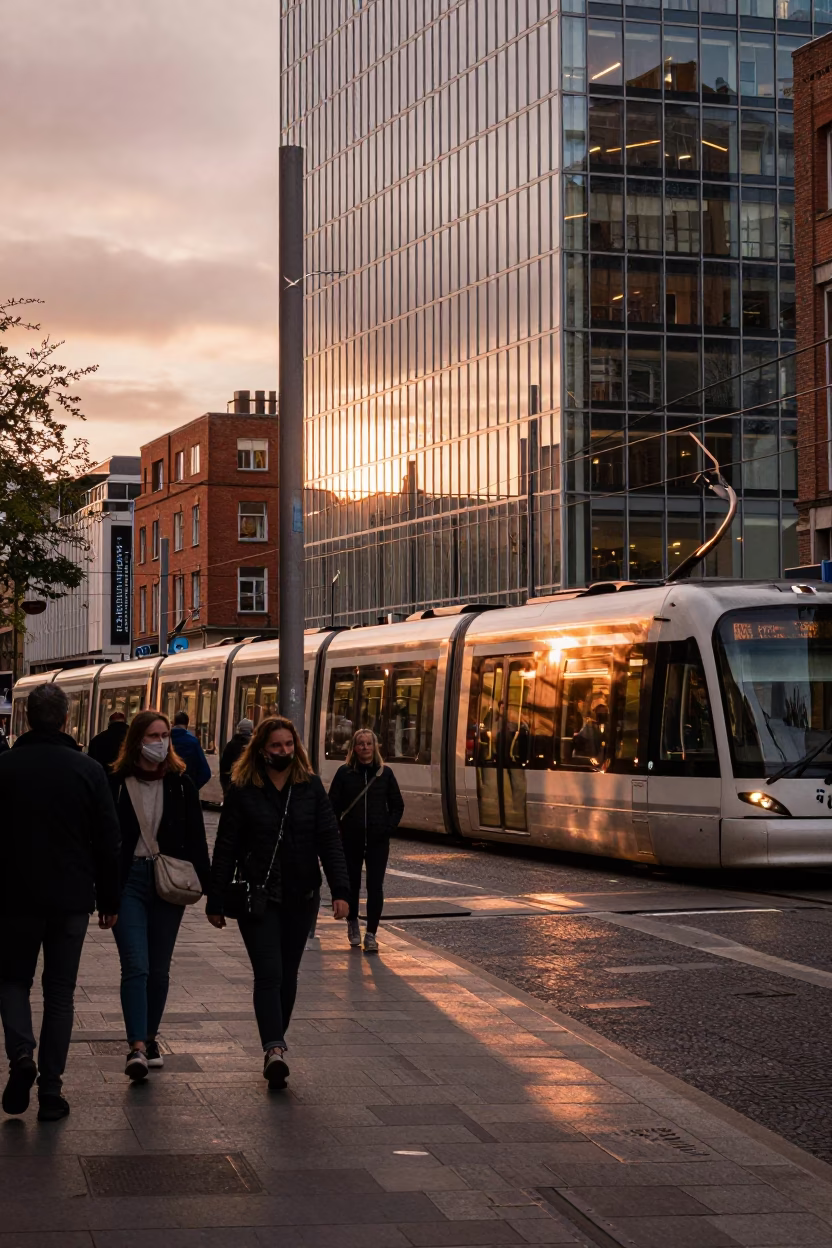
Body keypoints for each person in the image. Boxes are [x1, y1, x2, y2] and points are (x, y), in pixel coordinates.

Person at [207, 716, 350, 1090]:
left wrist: (341, 891)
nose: (283, 751)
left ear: (296, 747)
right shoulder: (243, 788)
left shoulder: (310, 787)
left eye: (288, 745)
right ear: (261, 749)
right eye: (276, 746)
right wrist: (216, 898)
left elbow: (329, 841)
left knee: (288, 974)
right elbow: (226, 846)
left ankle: (276, 1042)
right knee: (268, 973)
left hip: (301, 895)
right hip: (259, 896)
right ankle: (274, 1049)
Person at [0, 683, 120, 1122]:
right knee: (60, 993)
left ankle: (20, 1056)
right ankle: (51, 1089)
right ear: (67, 719)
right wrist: (109, 898)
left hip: (13, 898)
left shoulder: (5, 767)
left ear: (27, 718)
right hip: (71, 898)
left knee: (12, 982)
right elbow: (109, 841)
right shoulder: (87, 771)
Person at [110, 710, 210, 1082]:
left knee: (159, 969)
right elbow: (103, 842)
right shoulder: (117, 782)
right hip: (129, 881)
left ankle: (150, 1037)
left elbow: (198, 842)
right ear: (137, 740)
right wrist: (104, 895)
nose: (161, 741)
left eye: (164, 734)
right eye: (153, 735)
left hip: (168, 880)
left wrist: (213, 894)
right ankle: (136, 1046)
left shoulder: (181, 784)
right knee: (135, 965)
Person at [329, 729, 404, 955]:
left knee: (375, 886)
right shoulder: (344, 774)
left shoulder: (385, 774)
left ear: (375, 747)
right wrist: (338, 831)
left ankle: (371, 934)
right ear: (354, 748)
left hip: (377, 841)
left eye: (368, 744)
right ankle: (353, 923)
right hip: (350, 840)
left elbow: (397, 805)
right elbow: (332, 806)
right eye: (360, 744)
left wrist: (386, 828)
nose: (364, 747)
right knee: (351, 884)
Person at [170, 711, 211, 791]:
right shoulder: (193, 741)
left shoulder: (165, 739)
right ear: (187, 724)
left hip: (166, 793)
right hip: (187, 792)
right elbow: (206, 773)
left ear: (174, 723)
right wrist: (192, 788)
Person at [219, 718, 254, 794]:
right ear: (252, 730)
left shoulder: (231, 745)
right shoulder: (255, 746)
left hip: (233, 784)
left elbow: (224, 767)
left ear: (239, 729)